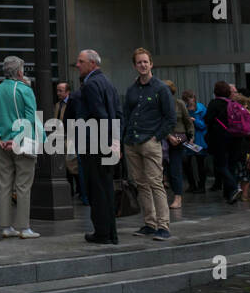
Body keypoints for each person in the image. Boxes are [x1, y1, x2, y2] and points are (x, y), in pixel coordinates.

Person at [0, 56, 41, 238]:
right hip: (22, 143)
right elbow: (30, 117)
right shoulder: (25, 90)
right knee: (23, 185)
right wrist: (16, 139)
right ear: (19, 72)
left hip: (0, 144)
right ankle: (24, 227)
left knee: (4, 184)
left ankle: (6, 227)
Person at [121, 48, 174, 240]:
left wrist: (156, 137)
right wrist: (123, 137)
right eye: (139, 62)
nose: (142, 65)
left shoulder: (161, 88)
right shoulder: (132, 89)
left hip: (150, 141)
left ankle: (164, 226)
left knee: (155, 183)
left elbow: (170, 118)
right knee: (141, 184)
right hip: (131, 142)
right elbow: (126, 115)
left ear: (151, 64)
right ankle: (149, 223)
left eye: (145, 62)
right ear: (134, 65)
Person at [72, 48, 120, 245]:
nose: (77, 65)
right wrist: (115, 142)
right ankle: (110, 233)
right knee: (106, 188)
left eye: (81, 61)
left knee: (96, 190)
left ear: (92, 63)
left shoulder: (90, 85)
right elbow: (117, 114)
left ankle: (102, 233)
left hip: (95, 144)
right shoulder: (108, 83)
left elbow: (100, 115)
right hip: (107, 143)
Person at [203, 81, 246, 204]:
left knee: (220, 166)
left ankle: (233, 188)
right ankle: (230, 195)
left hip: (220, 139)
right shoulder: (233, 103)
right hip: (235, 138)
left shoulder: (214, 103)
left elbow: (208, 120)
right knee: (231, 166)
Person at [164, 80, 193, 210]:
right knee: (166, 170)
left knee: (175, 169)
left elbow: (188, 121)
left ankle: (178, 197)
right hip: (163, 140)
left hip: (178, 139)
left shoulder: (179, 104)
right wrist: (167, 136)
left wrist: (191, 136)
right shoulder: (158, 105)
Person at [55, 81, 85, 203]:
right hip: (60, 137)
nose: (58, 93)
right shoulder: (57, 105)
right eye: (57, 90)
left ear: (68, 92)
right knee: (64, 164)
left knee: (73, 164)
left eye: (61, 91)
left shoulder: (73, 103)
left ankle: (79, 189)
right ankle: (70, 190)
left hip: (70, 136)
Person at [182, 89, 208, 194]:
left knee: (200, 163)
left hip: (199, 140)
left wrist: (194, 121)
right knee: (186, 162)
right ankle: (192, 184)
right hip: (188, 140)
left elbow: (204, 125)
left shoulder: (201, 109)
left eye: (191, 98)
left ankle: (201, 186)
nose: (190, 101)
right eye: (187, 100)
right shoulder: (184, 109)